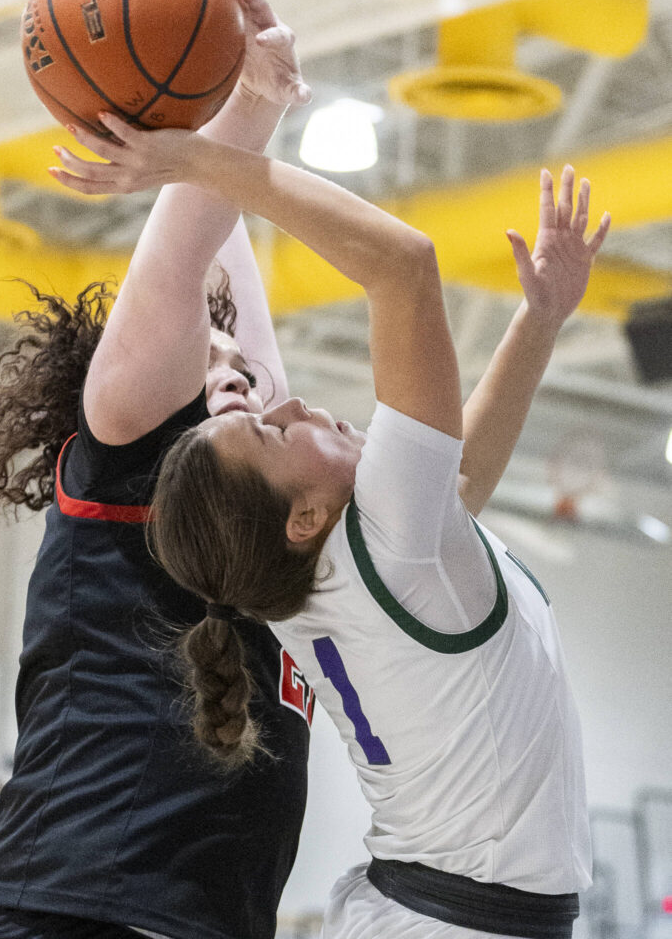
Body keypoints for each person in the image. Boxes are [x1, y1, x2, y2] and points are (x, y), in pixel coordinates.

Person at [56, 117, 610, 939]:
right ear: (301, 515)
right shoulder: (381, 535)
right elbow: (404, 266)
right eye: (276, 433)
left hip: (434, 917)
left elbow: (464, 480)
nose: (288, 402)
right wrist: (198, 158)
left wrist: (540, 319)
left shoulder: (339, 566)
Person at [0, 0, 314, 939]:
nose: (240, 374)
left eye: (242, 364)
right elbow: (186, 254)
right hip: (60, 909)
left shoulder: (269, 503)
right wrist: (229, 114)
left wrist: (247, 94)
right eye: (209, 354)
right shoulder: (123, 435)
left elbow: (227, 265)